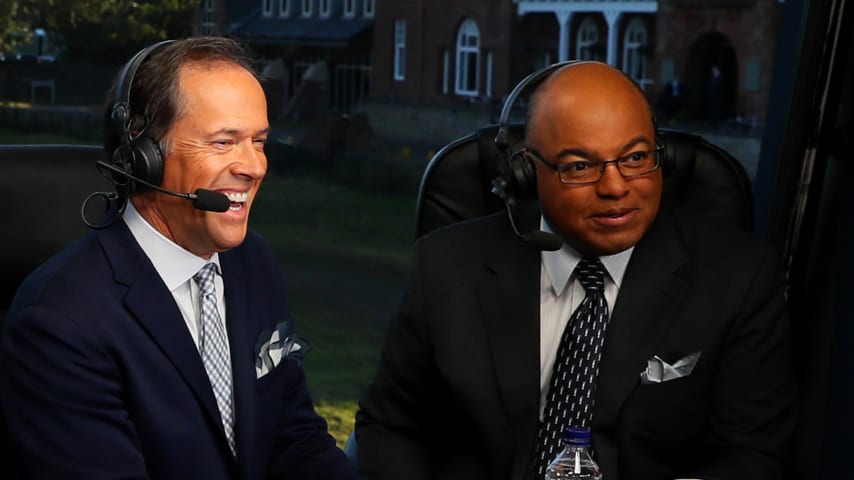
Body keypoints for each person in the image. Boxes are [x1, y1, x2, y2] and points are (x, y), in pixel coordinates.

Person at [355, 62, 797, 479]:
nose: (616, 187)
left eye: (637, 158)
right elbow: (390, 427)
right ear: (526, 171)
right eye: (580, 166)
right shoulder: (446, 265)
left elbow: (751, 456)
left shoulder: (739, 277)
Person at [0, 37, 356, 480]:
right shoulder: (60, 324)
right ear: (142, 154)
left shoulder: (252, 261)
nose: (255, 166)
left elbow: (294, 435)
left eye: (259, 142)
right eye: (224, 143)